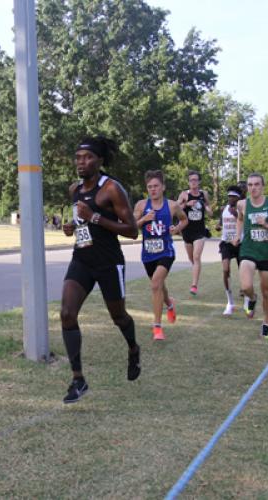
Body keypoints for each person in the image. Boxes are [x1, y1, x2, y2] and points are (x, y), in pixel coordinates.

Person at [60, 136, 140, 404]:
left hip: (108, 262)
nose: (81, 162)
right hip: (82, 258)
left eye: (87, 157)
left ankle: (133, 348)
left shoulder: (112, 189)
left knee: (119, 317)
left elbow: (132, 230)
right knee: (66, 314)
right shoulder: (74, 189)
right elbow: (81, 225)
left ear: (99, 161)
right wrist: (72, 228)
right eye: (78, 157)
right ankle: (78, 379)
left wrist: (94, 217)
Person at [133, 170, 188, 340]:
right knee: (159, 285)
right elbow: (132, 227)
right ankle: (170, 303)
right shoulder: (141, 206)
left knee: (156, 284)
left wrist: (176, 229)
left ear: (163, 187)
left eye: (156, 186)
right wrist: (144, 220)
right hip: (148, 254)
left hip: (166, 251)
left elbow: (184, 219)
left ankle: (157, 327)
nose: (153, 189)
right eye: (149, 187)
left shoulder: (172, 205)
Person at [233, 173, 268, 339]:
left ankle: (265, 321)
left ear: (263, 186)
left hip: (267, 253)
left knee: (266, 291)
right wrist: (237, 235)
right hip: (248, 251)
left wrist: (266, 224)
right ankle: (252, 298)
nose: (253, 188)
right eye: (250, 185)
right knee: (246, 285)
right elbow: (240, 220)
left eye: (256, 184)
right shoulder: (242, 204)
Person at [177, 170, 213, 295]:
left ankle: (194, 285)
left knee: (197, 257)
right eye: (191, 180)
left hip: (200, 231)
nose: (193, 182)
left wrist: (207, 209)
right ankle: (196, 271)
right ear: (188, 182)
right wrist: (187, 204)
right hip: (187, 231)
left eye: (196, 180)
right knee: (192, 258)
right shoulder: (184, 195)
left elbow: (210, 210)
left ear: (199, 182)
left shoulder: (204, 194)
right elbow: (176, 209)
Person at [215, 186, 242, 315]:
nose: (230, 199)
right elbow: (220, 224)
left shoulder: (242, 209)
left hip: (240, 243)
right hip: (226, 243)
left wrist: (237, 215)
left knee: (244, 272)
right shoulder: (224, 209)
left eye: (233, 196)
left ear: (238, 198)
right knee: (225, 270)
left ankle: (247, 298)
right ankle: (230, 303)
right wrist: (218, 226)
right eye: (229, 196)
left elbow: (245, 225)